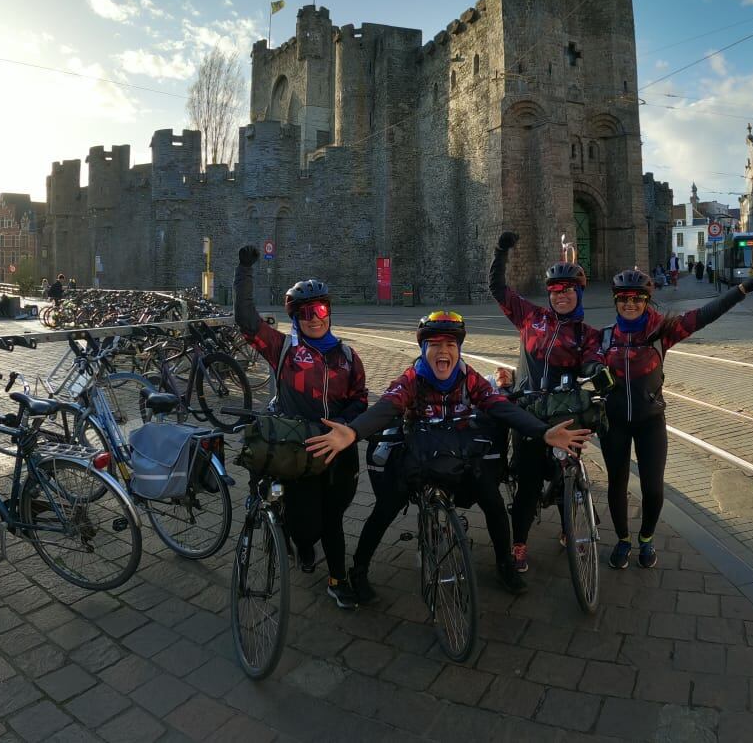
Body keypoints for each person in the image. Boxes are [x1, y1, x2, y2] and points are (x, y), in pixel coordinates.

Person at [305, 311, 592, 600]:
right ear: (423, 349)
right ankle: (359, 571)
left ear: (459, 349)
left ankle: (505, 564)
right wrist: (353, 432)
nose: (443, 351)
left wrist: (543, 432)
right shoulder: (412, 378)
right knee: (385, 508)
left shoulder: (470, 379)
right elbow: (387, 407)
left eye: (450, 345)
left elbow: (501, 407)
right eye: (435, 345)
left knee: (492, 501)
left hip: (460, 454)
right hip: (419, 456)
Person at [599, 268, 753, 569]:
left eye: (637, 298)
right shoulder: (605, 337)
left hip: (650, 421)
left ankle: (646, 540)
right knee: (616, 484)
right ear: (615, 300)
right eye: (623, 298)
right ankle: (623, 540)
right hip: (614, 422)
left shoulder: (661, 331)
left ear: (647, 300)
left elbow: (705, 314)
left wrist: (742, 290)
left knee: (653, 488)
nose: (630, 304)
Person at [234, 245, 368, 609]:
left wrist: (344, 425)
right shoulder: (283, 349)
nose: (315, 318)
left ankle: (337, 580)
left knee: (334, 518)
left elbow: (359, 399)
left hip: (338, 449)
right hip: (299, 451)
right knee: (307, 526)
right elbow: (247, 321)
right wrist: (245, 269)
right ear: (296, 317)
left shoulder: (347, 356)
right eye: (306, 313)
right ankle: (302, 544)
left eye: (320, 310)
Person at [489, 231, 600, 573]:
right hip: (529, 412)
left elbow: (594, 361)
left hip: (565, 415)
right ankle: (518, 543)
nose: (561, 296)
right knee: (528, 480)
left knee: (569, 473)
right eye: (555, 290)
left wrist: (599, 373)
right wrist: (501, 251)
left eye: (568, 290)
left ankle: (572, 528)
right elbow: (498, 290)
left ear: (578, 293)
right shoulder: (530, 317)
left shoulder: (585, 334)